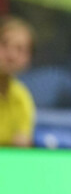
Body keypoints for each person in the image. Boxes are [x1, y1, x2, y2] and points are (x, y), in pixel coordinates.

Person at [0, 17, 35, 147]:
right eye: (4, 44)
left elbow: (23, 142)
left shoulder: (22, 97)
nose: (11, 55)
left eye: (20, 49)